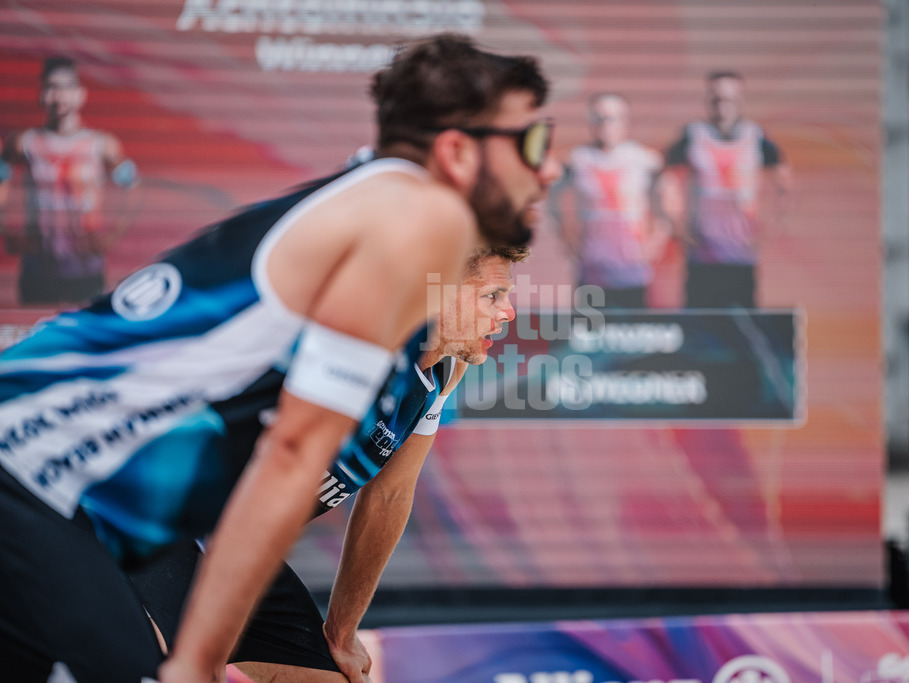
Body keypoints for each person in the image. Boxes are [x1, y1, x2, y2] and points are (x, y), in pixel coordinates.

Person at [0, 34, 558, 683]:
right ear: (458, 152)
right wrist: (197, 664)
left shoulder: (391, 223)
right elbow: (291, 453)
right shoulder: (417, 219)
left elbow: (388, 492)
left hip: (131, 497)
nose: (546, 169)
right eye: (533, 141)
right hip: (44, 467)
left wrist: (340, 631)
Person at [129, 244, 526, 683]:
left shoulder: (446, 368)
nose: (508, 312)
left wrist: (342, 630)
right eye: (492, 295)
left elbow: (390, 495)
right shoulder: (352, 349)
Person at [1, 56, 139, 306]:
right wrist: (6, 231)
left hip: (86, 271)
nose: (59, 96)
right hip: (38, 269)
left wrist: (112, 235)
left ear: (80, 94)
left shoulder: (102, 145)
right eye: (52, 87)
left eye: (66, 88)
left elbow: (132, 187)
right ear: (42, 93)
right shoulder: (24, 143)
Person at [663, 71, 793, 308]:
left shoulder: (755, 137)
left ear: (740, 100)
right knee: (699, 331)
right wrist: (675, 226)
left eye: (729, 99)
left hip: (741, 258)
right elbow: (666, 179)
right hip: (701, 257)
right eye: (716, 99)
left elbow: (783, 182)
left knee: (741, 329)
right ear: (707, 100)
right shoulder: (693, 136)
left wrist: (772, 227)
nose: (722, 106)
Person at [547, 93, 666, 309]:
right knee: (591, 338)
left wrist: (657, 239)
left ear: (625, 121)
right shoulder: (577, 159)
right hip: (592, 272)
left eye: (611, 118)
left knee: (631, 339)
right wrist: (566, 237)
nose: (604, 125)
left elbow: (666, 200)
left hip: (633, 272)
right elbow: (551, 197)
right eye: (598, 118)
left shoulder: (645, 160)